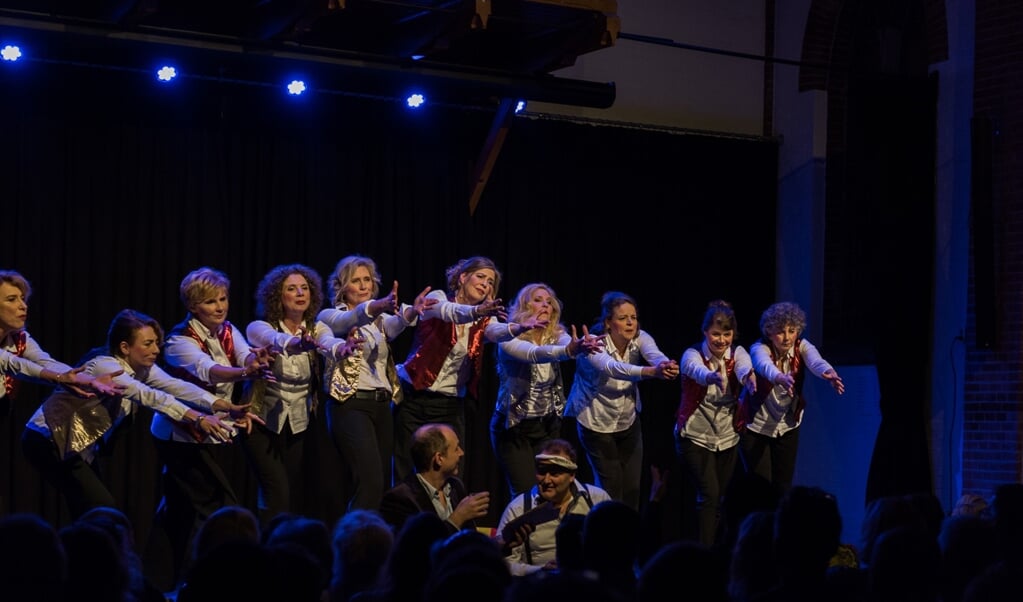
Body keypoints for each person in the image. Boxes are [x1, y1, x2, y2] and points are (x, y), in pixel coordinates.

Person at [22, 309, 248, 520]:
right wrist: (197, 418)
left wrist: (223, 405)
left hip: (76, 447)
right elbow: (149, 396)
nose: (156, 350)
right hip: (47, 439)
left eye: (156, 343)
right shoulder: (108, 367)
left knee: (89, 512)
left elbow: (174, 386)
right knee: (102, 509)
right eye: (148, 344)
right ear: (124, 347)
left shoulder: (142, 370)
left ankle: (80, 557)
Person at [394, 256, 535, 482]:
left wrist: (516, 329)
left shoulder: (483, 319)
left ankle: (450, 516)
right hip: (414, 398)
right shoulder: (437, 298)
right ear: (462, 277)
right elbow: (449, 312)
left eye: (490, 282)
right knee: (407, 467)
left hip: (450, 404)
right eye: (480, 277)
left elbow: (496, 332)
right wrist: (477, 312)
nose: (485, 284)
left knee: (452, 469)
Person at [243, 263, 362, 525]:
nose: (300, 293)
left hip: (298, 422)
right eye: (291, 288)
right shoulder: (259, 327)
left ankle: (280, 546)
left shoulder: (316, 327)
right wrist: (298, 343)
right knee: (276, 490)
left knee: (289, 491)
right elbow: (275, 340)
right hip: (261, 422)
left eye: (304, 288)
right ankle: (266, 548)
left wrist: (342, 348)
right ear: (278, 296)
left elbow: (329, 341)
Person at [318, 254, 434, 511]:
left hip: (382, 406)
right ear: (341, 288)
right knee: (369, 481)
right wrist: (378, 305)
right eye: (356, 281)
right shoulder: (330, 316)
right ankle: (356, 542)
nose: (363, 286)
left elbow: (395, 324)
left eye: (367, 280)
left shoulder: (379, 321)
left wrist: (412, 312)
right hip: (350, 404)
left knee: (380, 483)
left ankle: (370, 539)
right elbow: (347, 322)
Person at [565, 291, 679, 510]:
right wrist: (652, 372)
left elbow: (655, 355)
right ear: (608, 322)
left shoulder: (640, 338)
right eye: (622, 318)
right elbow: (613, 368)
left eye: (633, 317)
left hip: (627, 420)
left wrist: (665, 365)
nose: (630, 323)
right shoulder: (593, 345)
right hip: (595, 422)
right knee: (611, 490)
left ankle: (629, 541)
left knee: (632, 489)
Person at [490, 282, 602, 497]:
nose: (545, 305)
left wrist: (578, 347)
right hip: (514, 428)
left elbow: (569, 343)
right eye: (538, 300)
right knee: (524, 494)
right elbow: (534, 354)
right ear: (524, 306)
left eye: (549, 302)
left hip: (546, 425)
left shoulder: (557, 335)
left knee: (549, 492)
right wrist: (568, 350)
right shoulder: (508, 337)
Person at [736, 301, 845, 494]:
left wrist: (828, 372)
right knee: (760, 488)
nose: (787, 337)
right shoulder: (759, 348)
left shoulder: (801, 346)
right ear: (769, 332)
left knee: (783, 487)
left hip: (786, 425)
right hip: (755, 426)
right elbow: (763, 365)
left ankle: (780, 524)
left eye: (791, 331)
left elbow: (815, 360)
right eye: (780, 331)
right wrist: (779, 376)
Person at [675, 300, 755, 547]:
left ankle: (715, 550)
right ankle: (704, 556)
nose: (721, 340)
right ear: (705, 332)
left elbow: (744, 367)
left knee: (719, 498)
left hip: (727, 437)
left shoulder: (738, 353)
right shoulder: (693, 354)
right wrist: (709, 375)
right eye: (716, 334)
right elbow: (693, 369)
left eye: (727, 334)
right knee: (709, 494)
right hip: (694, 435)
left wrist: (748, 378)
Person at [1, 269, 122, 402]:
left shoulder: (19, 339)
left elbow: (46, 363)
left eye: (23, 299)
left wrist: (89, 380)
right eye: (12, 299)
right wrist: (59, 378)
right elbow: (14, 364)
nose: (23, 306)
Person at [495, 438, 611, 576]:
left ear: (572, 475)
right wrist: (540, 570)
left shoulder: (597, 499)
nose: (546, 480)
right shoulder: (519, 508)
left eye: (555, 473)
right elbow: (504, 563)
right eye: (542, 472)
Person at [163, 266, 275, 406]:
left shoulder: (227, 329)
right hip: (183, 422)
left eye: (223, 299)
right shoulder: (179, 341)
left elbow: (244, 355)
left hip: (221, 417)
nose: (220, 308)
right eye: (210, 302)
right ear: (192, 307)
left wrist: (256, 359)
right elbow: (211, 372)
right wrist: (246, 372)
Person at [378, 422, 489, 535]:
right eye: (456, 449)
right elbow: (418, 547)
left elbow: (469, 541)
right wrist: (457, 518)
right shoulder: (399, 499)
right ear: (439, 458)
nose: (462, 453)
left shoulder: (455, 486)